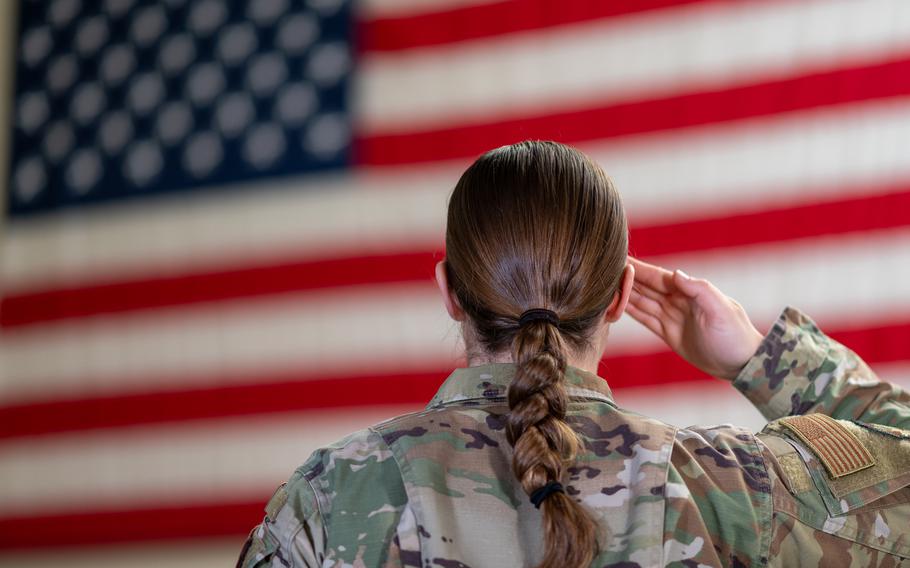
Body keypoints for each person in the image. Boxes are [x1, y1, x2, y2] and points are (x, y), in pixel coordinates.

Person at [237, 141, 910, 567]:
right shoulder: (733, 489)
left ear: (449, 291)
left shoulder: (331, 496)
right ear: (620, 294)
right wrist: (763, 358)